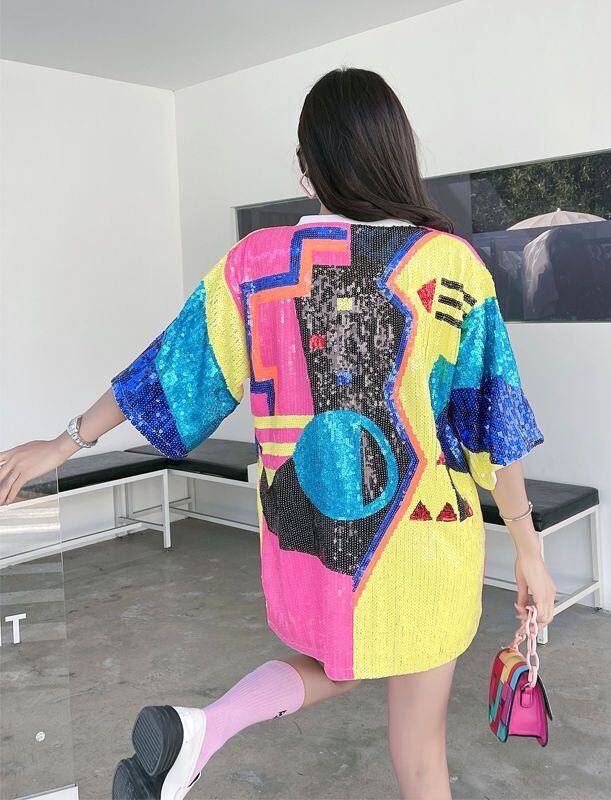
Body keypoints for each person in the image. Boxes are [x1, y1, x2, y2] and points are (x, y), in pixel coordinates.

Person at [0, 67, 556, 800]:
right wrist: (527, 549)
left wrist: (67, 439)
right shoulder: (450, 265)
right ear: (398, 153)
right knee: (419, 749)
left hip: (316, 544)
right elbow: (491, 421)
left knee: (338, 661)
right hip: (425, 537)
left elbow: (171, 371)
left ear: (306, 167)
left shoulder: (254, 264)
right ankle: (208, 728)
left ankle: (207, 728)